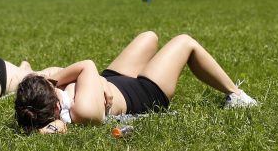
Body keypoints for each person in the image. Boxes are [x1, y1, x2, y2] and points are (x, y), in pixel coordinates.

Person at [14, 31, 257, 134]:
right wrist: (61, 80)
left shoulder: (45, 105)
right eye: (53, 91)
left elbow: (85, 75)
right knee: (185, 42)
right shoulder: (83, 110)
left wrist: (98, 82)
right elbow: (86, 64)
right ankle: (237, 96)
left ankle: (236, 95)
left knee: (149, 37)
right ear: (56, 109)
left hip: (113, 80)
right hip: (143, 94)